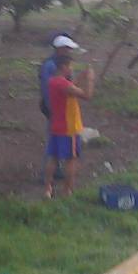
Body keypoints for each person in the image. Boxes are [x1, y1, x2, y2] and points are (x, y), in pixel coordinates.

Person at [43, 47, 95, 198]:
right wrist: (90, 79)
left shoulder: (53, 82)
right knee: (71, 159)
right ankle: (67, 191)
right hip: (69, 128)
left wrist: (81, 76)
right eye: (70, 66)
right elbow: (87, 96)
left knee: (53, 157)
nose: (71, 69)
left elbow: (70, 87)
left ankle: (48, 189)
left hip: (56, 126)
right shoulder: (64, 85)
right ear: (64, 67)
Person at [39, 34, 82, 180]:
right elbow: (48, 90)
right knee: (55, 143)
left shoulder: (55, 64)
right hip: (56, 109)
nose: (69, 51)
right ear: (60, 49)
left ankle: (52, 173)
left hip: (59, 109)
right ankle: (47, 176)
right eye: (67, 48)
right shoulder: (51, 66)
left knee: (55, 142)